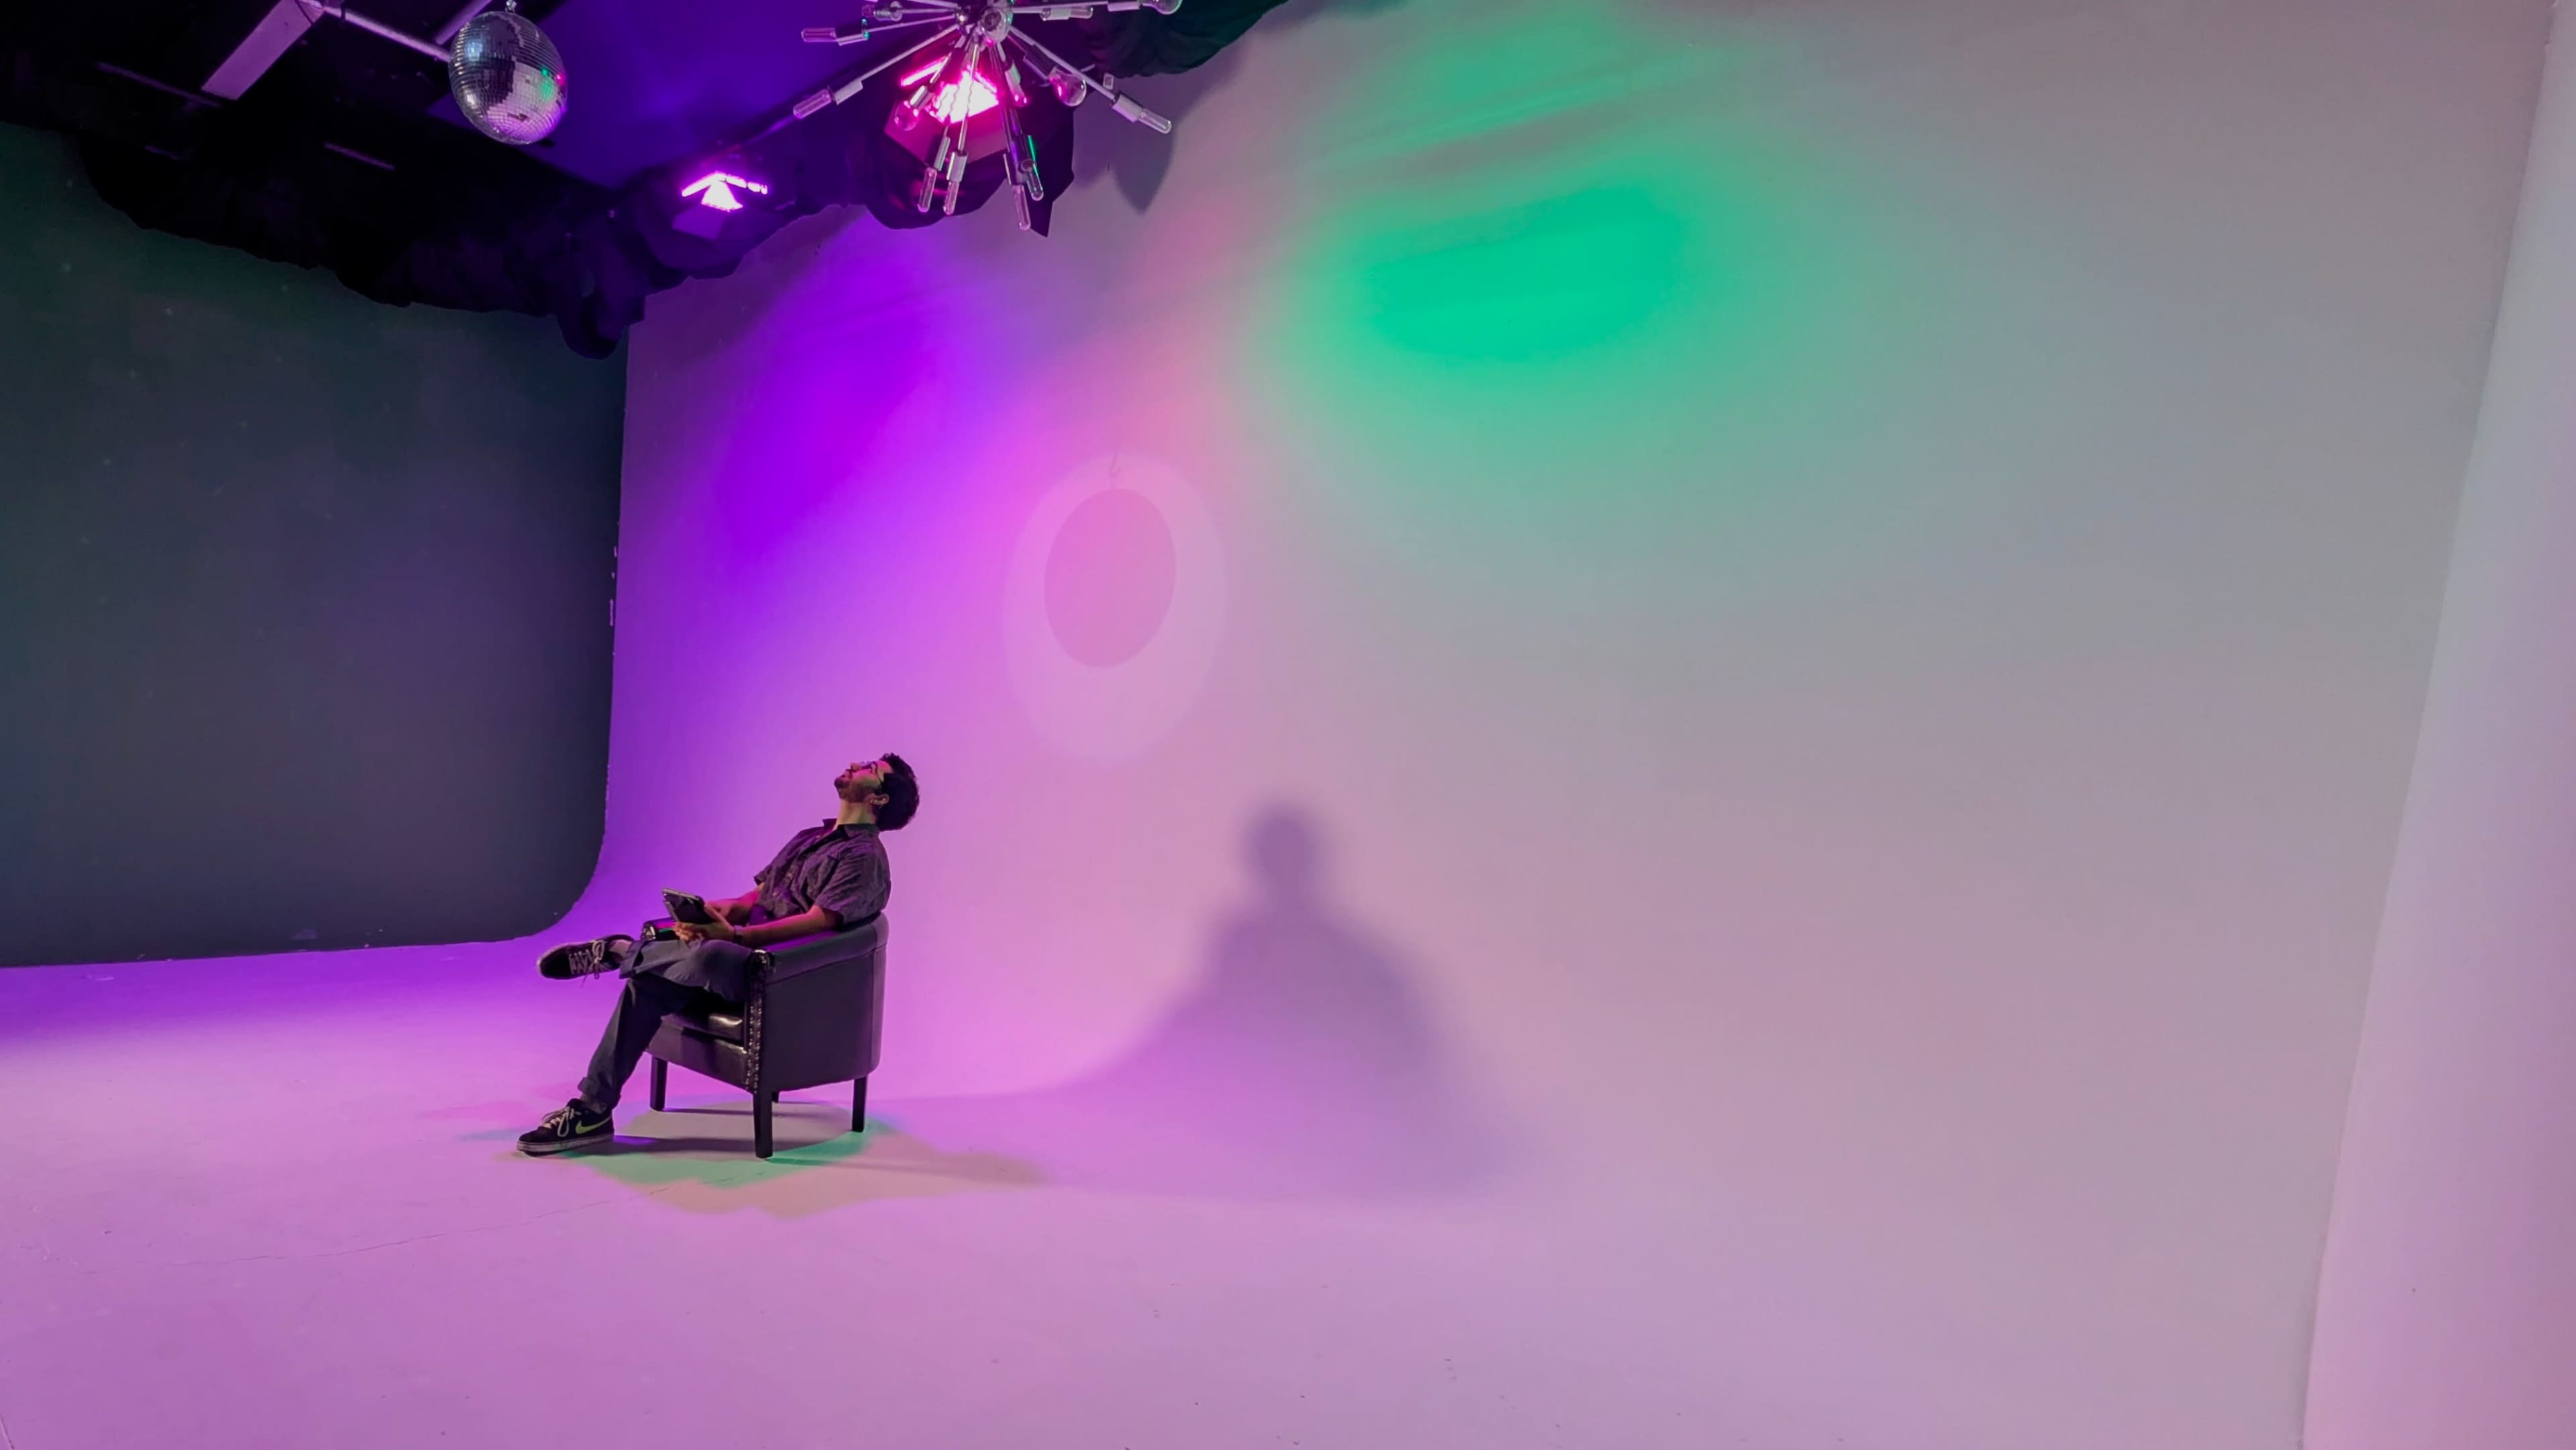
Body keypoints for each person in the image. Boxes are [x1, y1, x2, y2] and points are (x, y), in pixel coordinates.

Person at [517, 754, 920, 1155]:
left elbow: (820, 922)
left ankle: (622, 952)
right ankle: (592, 1110)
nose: (856, 764)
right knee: (646, 985)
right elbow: (759, 896)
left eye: (871, 769)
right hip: (740, 952)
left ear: (879, 798)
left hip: (780, 976)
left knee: (708, 957)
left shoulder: (864, 857)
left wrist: (738, 936)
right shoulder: (810, 837)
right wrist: (719, 912)